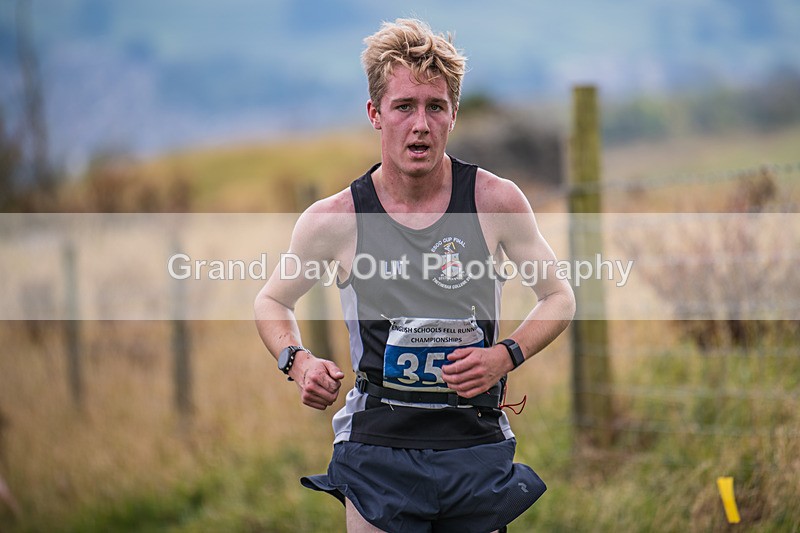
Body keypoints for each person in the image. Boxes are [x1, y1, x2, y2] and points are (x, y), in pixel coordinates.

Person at [254, 18, 575, 533]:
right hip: (377, 444)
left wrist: (505, 355)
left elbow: (558, 296)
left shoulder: (495, 201)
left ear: (453, 115)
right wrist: (298, 362)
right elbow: (272, 301)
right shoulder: (335, 220)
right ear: (375, 114)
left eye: (435, 107)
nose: (420, 124)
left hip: (472, 439)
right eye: (404, 107)